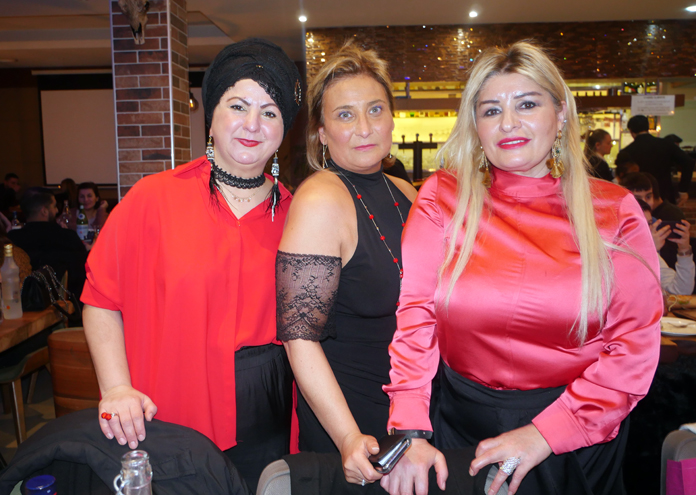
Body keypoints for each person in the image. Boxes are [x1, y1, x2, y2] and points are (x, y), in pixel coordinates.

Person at [381, 41, 661, 495]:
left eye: (527, 104)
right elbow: (417, 318)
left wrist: (546, 433)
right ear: (476, 126)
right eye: (491, 111)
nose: (508, 123)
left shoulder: (613, 210)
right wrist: (410, 428)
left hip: (577, 433)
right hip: (461, 424)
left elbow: (633, 347)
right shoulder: (443, 198)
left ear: (561, 113)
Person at [81, 38, 302, 492]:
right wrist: (116, 388)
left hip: (271, 407)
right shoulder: (153, 199)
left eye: (270, 112)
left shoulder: (300, 214)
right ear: (212, 114)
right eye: (238, 106)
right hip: (172, 402)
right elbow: (100, 300)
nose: (252, 124)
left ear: (284, 129)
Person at [276, 43, 417, 486]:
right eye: (345, 115)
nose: (364, 128)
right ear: (321, 133)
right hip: (354, 419)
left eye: (375, 110)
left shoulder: (405, 191)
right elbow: (299, 338)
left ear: (392, 117)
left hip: (409, 410)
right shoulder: (321, 199)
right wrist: (347, 437)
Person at [7, 187, 87, 299]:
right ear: (44, 211)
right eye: (54, 206)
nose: (57, 210)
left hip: (19, 301)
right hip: (62, 303)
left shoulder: (12, 239)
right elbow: (81, 276)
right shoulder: (67, 237)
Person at [622, 115, 694, 206]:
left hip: (638, 199)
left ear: (631, 131)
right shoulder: (666, 144)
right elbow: (688, 162)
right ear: (648, 127)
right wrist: (683, 189)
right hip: (665, 195)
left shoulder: (627, 151)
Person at [621, 171, 684, 269]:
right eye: (637, 198)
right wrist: (650, 249)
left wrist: (684, 249)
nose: (645, 202)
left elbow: (666, 273)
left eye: (648, 197)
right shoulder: (620, 229)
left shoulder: (656, 224)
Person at [636, 198, 694, 295]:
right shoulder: (614, 255)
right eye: (642, 223)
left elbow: (682, 290)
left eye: (649, 223)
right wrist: (649, 252)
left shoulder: (653, 255)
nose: (649, 229)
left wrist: (684, 250)